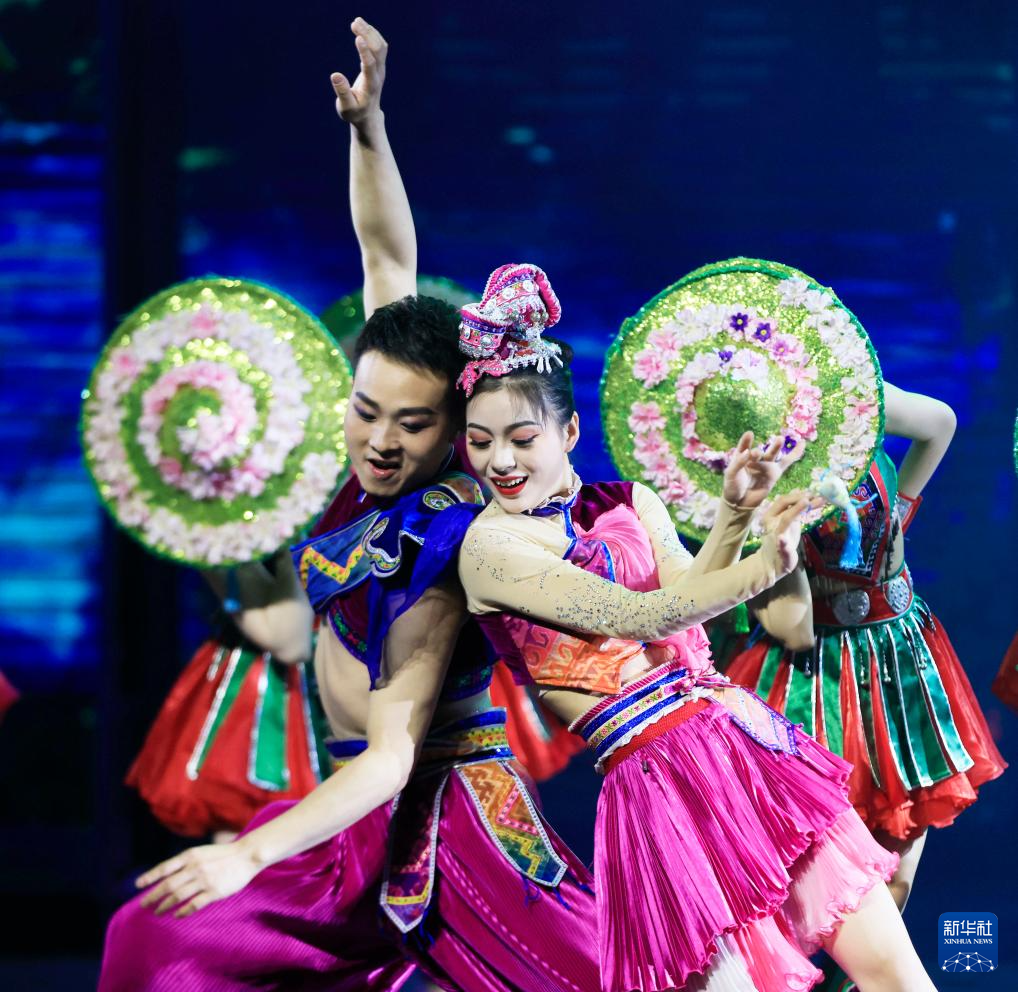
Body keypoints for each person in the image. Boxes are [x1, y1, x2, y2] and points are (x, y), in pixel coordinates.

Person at [100, 19, 599, 992]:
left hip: (439, 825)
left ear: (454, 428)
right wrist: (368, 129)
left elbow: (392, 755)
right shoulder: (367, 470)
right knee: (150, 937)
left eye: (410, 425)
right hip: (350, 822)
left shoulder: (443, 538)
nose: (379, 439)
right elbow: (386, 260)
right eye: (365, 411)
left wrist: (246, 854)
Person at [450, 262, 938, 991]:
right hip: (656, 785)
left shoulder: (629, 501)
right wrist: (763, 564)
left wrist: (734, 516)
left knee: (897, 974)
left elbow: (688, 607)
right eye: (480, 441)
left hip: (738, 743)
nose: (500, 461)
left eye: (521, 438)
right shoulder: (490, 549)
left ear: (569, 430)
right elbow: (643, 615)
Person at [720, 384, 1005, 917]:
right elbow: (791, 627)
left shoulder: (846, 397)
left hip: (898, 656)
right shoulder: (750, 464)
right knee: (819, 880)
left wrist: (900, 506)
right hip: (811, 675)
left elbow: (940, 422)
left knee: (898, 871)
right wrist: (781, 552)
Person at [126, 553, 331, 843]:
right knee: (246, 820)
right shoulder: (219, 534)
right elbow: (290, 643)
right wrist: (295, 544)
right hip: (262, 688)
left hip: (345, 671)